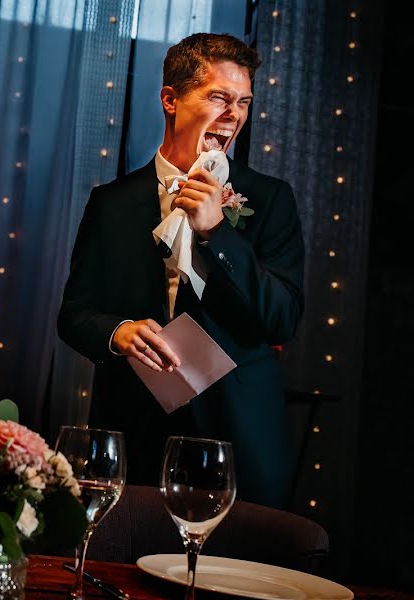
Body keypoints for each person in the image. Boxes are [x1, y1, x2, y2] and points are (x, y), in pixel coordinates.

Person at [58, 34, 304, 509]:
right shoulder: (110, 203)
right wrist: (118, 332)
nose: (234, 114)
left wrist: (218, 232)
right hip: (134, 433)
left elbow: (283, 318)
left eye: (244, 102)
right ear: (171, 99)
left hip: (238, 439)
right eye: (219, 97)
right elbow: (74, 314)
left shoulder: (273, 200)